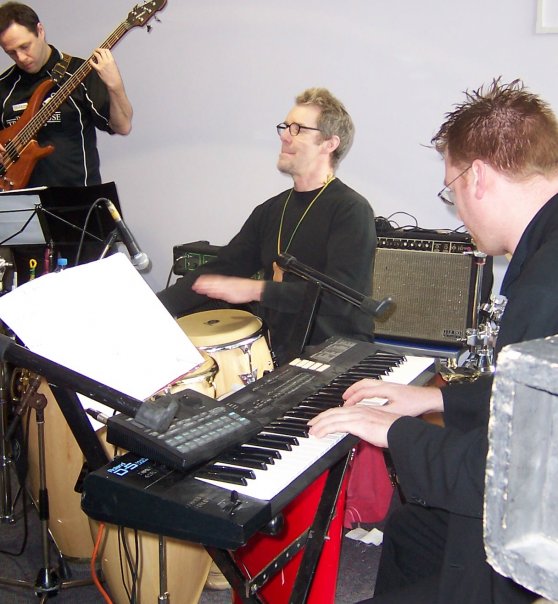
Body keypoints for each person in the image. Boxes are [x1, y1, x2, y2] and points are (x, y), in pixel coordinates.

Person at [308, 78, 558, 604]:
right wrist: (436, 399)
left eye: (451, 190)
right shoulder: (544, 250)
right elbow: (532, 403)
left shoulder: (544, 287)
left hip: (539, 530)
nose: (458, 212)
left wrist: (396, 431)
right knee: (413, 525)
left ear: (478, 177)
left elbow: (502, 477)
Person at [159, 87, 376, 367]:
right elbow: (221, 269)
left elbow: (341, 300)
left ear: (329, 143)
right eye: (285, 127)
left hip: (337, 355)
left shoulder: (351, 210)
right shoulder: (271, 210)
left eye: (298, 129)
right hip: (281, 354)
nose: (285, 136)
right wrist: (150, 308)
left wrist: (256, 290)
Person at [0, 2, 133, 188]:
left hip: (80, 198)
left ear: (40, 31)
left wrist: (115, 86)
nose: (21, 57)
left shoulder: (80, 73)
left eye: (25, 46)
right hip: (22, 200)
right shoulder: (4, 87)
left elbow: (123, 126)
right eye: (11, 52)